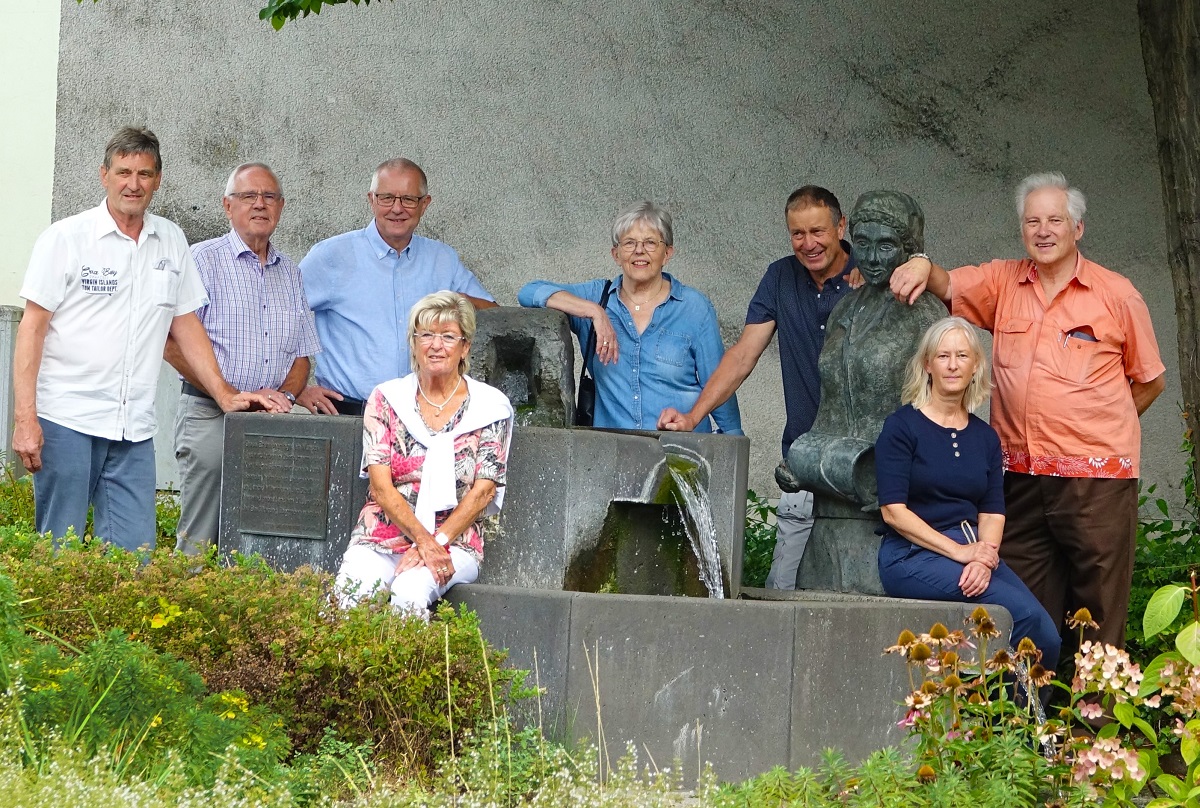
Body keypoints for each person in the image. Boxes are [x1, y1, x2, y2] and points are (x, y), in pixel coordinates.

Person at [889, 172, 1166, 650]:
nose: (1043, 230)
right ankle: (1029, 716)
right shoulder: (1003, 282)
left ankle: (1089, 723)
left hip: (1096, 482)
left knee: (1098, 605)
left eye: (1055, 220)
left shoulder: (1117, 294)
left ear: (1077, 228)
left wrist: (1099, 431)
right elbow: (948, 282)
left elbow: (1150, 379)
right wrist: (919, 263)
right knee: (1023, 604)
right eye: (1032, 220)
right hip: (1019, 476)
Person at [12, 127, 282, 552]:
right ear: (104, 175)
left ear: (158, 179)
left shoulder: (171, 240)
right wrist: (26, 418)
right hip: (68, 418)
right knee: (58, 550)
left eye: (144, 173)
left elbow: (186, 324)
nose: (132, 184)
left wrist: (225, 394)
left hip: (132, 429)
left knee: (134, 555)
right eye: (123, 172)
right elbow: (32, 328)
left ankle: (115, 621)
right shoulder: (66, 238)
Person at [658, 186, 857, 588]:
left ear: (841, 226)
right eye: (797, 234)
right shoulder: (781, 276)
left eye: (817, 231)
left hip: (862, 467)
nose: (808, 243)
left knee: (853, 587)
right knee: (782, 588)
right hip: (802, 462)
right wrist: (695, 415)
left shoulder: (870, 278)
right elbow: (743, 355)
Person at [876, 317, 1060, 669]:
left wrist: (983, 555)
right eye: (943, 356)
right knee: (1017, 616)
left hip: (973, 548)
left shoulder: (984, 436)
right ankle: (1004, 717)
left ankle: (1023, 720)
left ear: (975, 365)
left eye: (962, 355)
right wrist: (962, 553)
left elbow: (992, 511)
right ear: (927, 364)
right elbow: (893, 511)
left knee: (1046, 635)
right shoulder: (902, 427)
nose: (952, 364)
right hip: (912, 555)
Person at [165, 162, 321, 555]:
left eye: (269, 196)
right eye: (248, 196)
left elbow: (302, 355)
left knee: (262, 530)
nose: (259, 204)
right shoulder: (201, 261)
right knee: (201, 534)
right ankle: (188, 603)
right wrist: (228, 393)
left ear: (281, 207)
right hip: (209, 413)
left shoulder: (291, 273)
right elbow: (170, 343)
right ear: (227, 205)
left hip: (272, 422)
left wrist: (284, 396)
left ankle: (245, 614)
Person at [335, 292, 514, 617]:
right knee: (352, 596)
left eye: (448, 336)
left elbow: (484, 491)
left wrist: (437, 542)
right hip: (383, 533)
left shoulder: (491, 406)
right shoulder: (387, 398)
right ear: (414, 343)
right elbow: (380, 486)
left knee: (409, 591)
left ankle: (410, 669)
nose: (436, 345)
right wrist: (422, 540)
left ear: (465, 347)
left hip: (454, 540)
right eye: (426, 335)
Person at [517, 201, 741, 433]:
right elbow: (529, 291)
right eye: (629, 243)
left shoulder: (695, 308)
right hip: (613, 455)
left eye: (650, 243)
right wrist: (596, 312)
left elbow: (719, 384)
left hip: (679, 454)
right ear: (616, 254)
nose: (639, 250)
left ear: (668, 253)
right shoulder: (598, 297)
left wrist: (734, 443)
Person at [298, 158, 497, 417]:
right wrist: (296, 390)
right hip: (348, 415)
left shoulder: (442, 260)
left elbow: (494, 315)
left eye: (408, 199)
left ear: (424, 205)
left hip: (426, 418)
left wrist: (453, 301)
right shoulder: (332, 256)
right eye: (387, 198)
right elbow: (276, 316)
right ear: (371, 200)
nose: (397, 208)